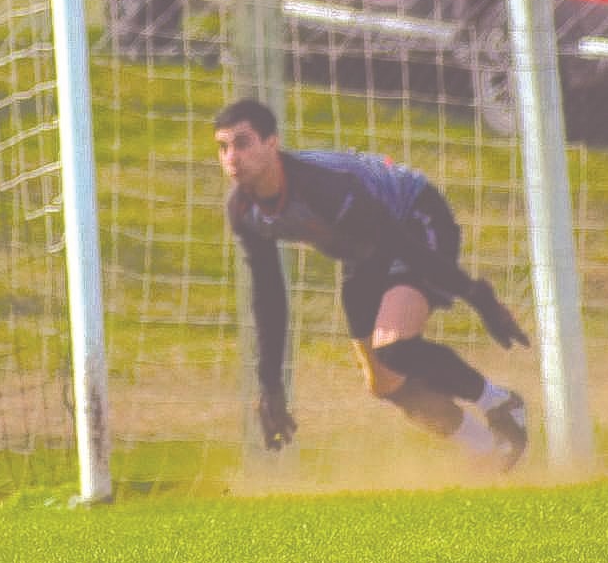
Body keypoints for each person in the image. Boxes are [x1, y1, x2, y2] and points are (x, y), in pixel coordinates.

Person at [211, 98, 531, 466]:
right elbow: (269, 296)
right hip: (366, 249)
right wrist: (270, 385)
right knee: (384, 382)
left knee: (393, 346)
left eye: (242, 143)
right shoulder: (242, 210)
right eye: (223, 147)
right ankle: (484, 449)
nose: (232, 157)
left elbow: (400, 244)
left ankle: (499, 402)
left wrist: (477, 296)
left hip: (413, 218)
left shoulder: (322, 187)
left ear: (272, 143)